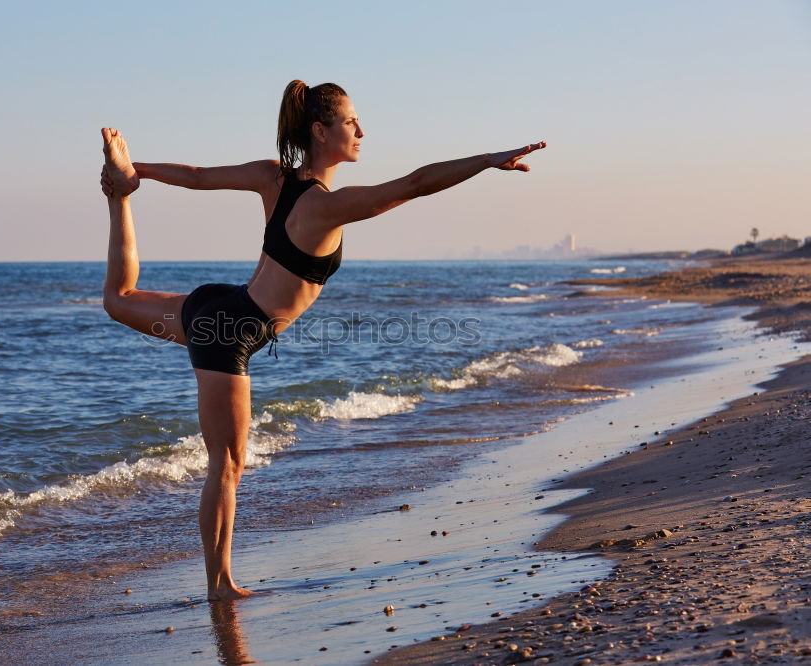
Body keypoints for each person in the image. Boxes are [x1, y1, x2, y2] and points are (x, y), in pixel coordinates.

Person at [99, 80, 546, 602]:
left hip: (216, 308)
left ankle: (119, 197)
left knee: (117, 297)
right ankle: (220, 586)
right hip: (231, 333)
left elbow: (197, 177)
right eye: (351, 122)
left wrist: (136, 173)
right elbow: (418, 182)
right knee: (227, 463)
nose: (362, 131)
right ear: (320, 131)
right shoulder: (325, 207)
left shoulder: (272, 177)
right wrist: (489, 159)